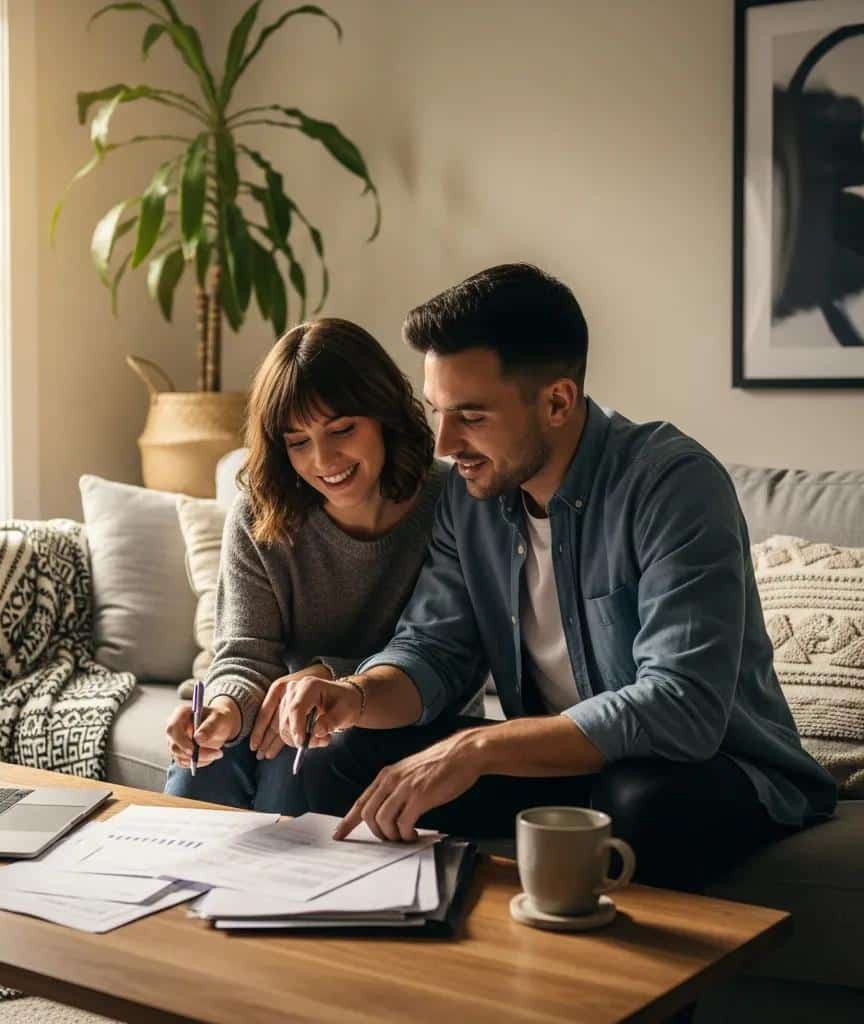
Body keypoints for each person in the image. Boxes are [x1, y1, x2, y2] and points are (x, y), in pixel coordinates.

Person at [274, 264, 837, 893]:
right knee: (343, 757)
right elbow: (433, 648)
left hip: (710, 769)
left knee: (637, 802)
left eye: (471, 415)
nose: (443, 443)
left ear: (558, 401)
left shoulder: (673, 485)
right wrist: (354, 694)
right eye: (437, 412)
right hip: (555, 765)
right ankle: (372, 972)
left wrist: (478, 750)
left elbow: (682, 709)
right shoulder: (471, 498)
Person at [163, 317, 448, 814]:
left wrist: (329, 676)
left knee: (299, 761)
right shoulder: (258, 513)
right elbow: (246, 653)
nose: (324, 459)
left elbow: (442, 653)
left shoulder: (447, 502)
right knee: (206, 762)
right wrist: (223, 711)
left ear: (383, 414)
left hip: (404, 715)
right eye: (298, 442)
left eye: (342, 429)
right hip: (288, 708)